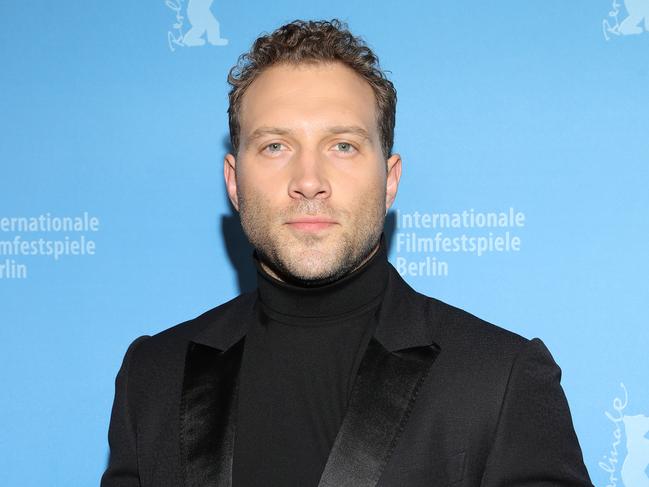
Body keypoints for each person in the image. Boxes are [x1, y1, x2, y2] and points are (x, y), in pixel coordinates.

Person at [101, 19, 593, 487]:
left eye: (342, 146)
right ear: (234, 181)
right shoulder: (154, 375)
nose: (309, 181)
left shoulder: (500, 379)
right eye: (275, 146)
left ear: (390, 179)